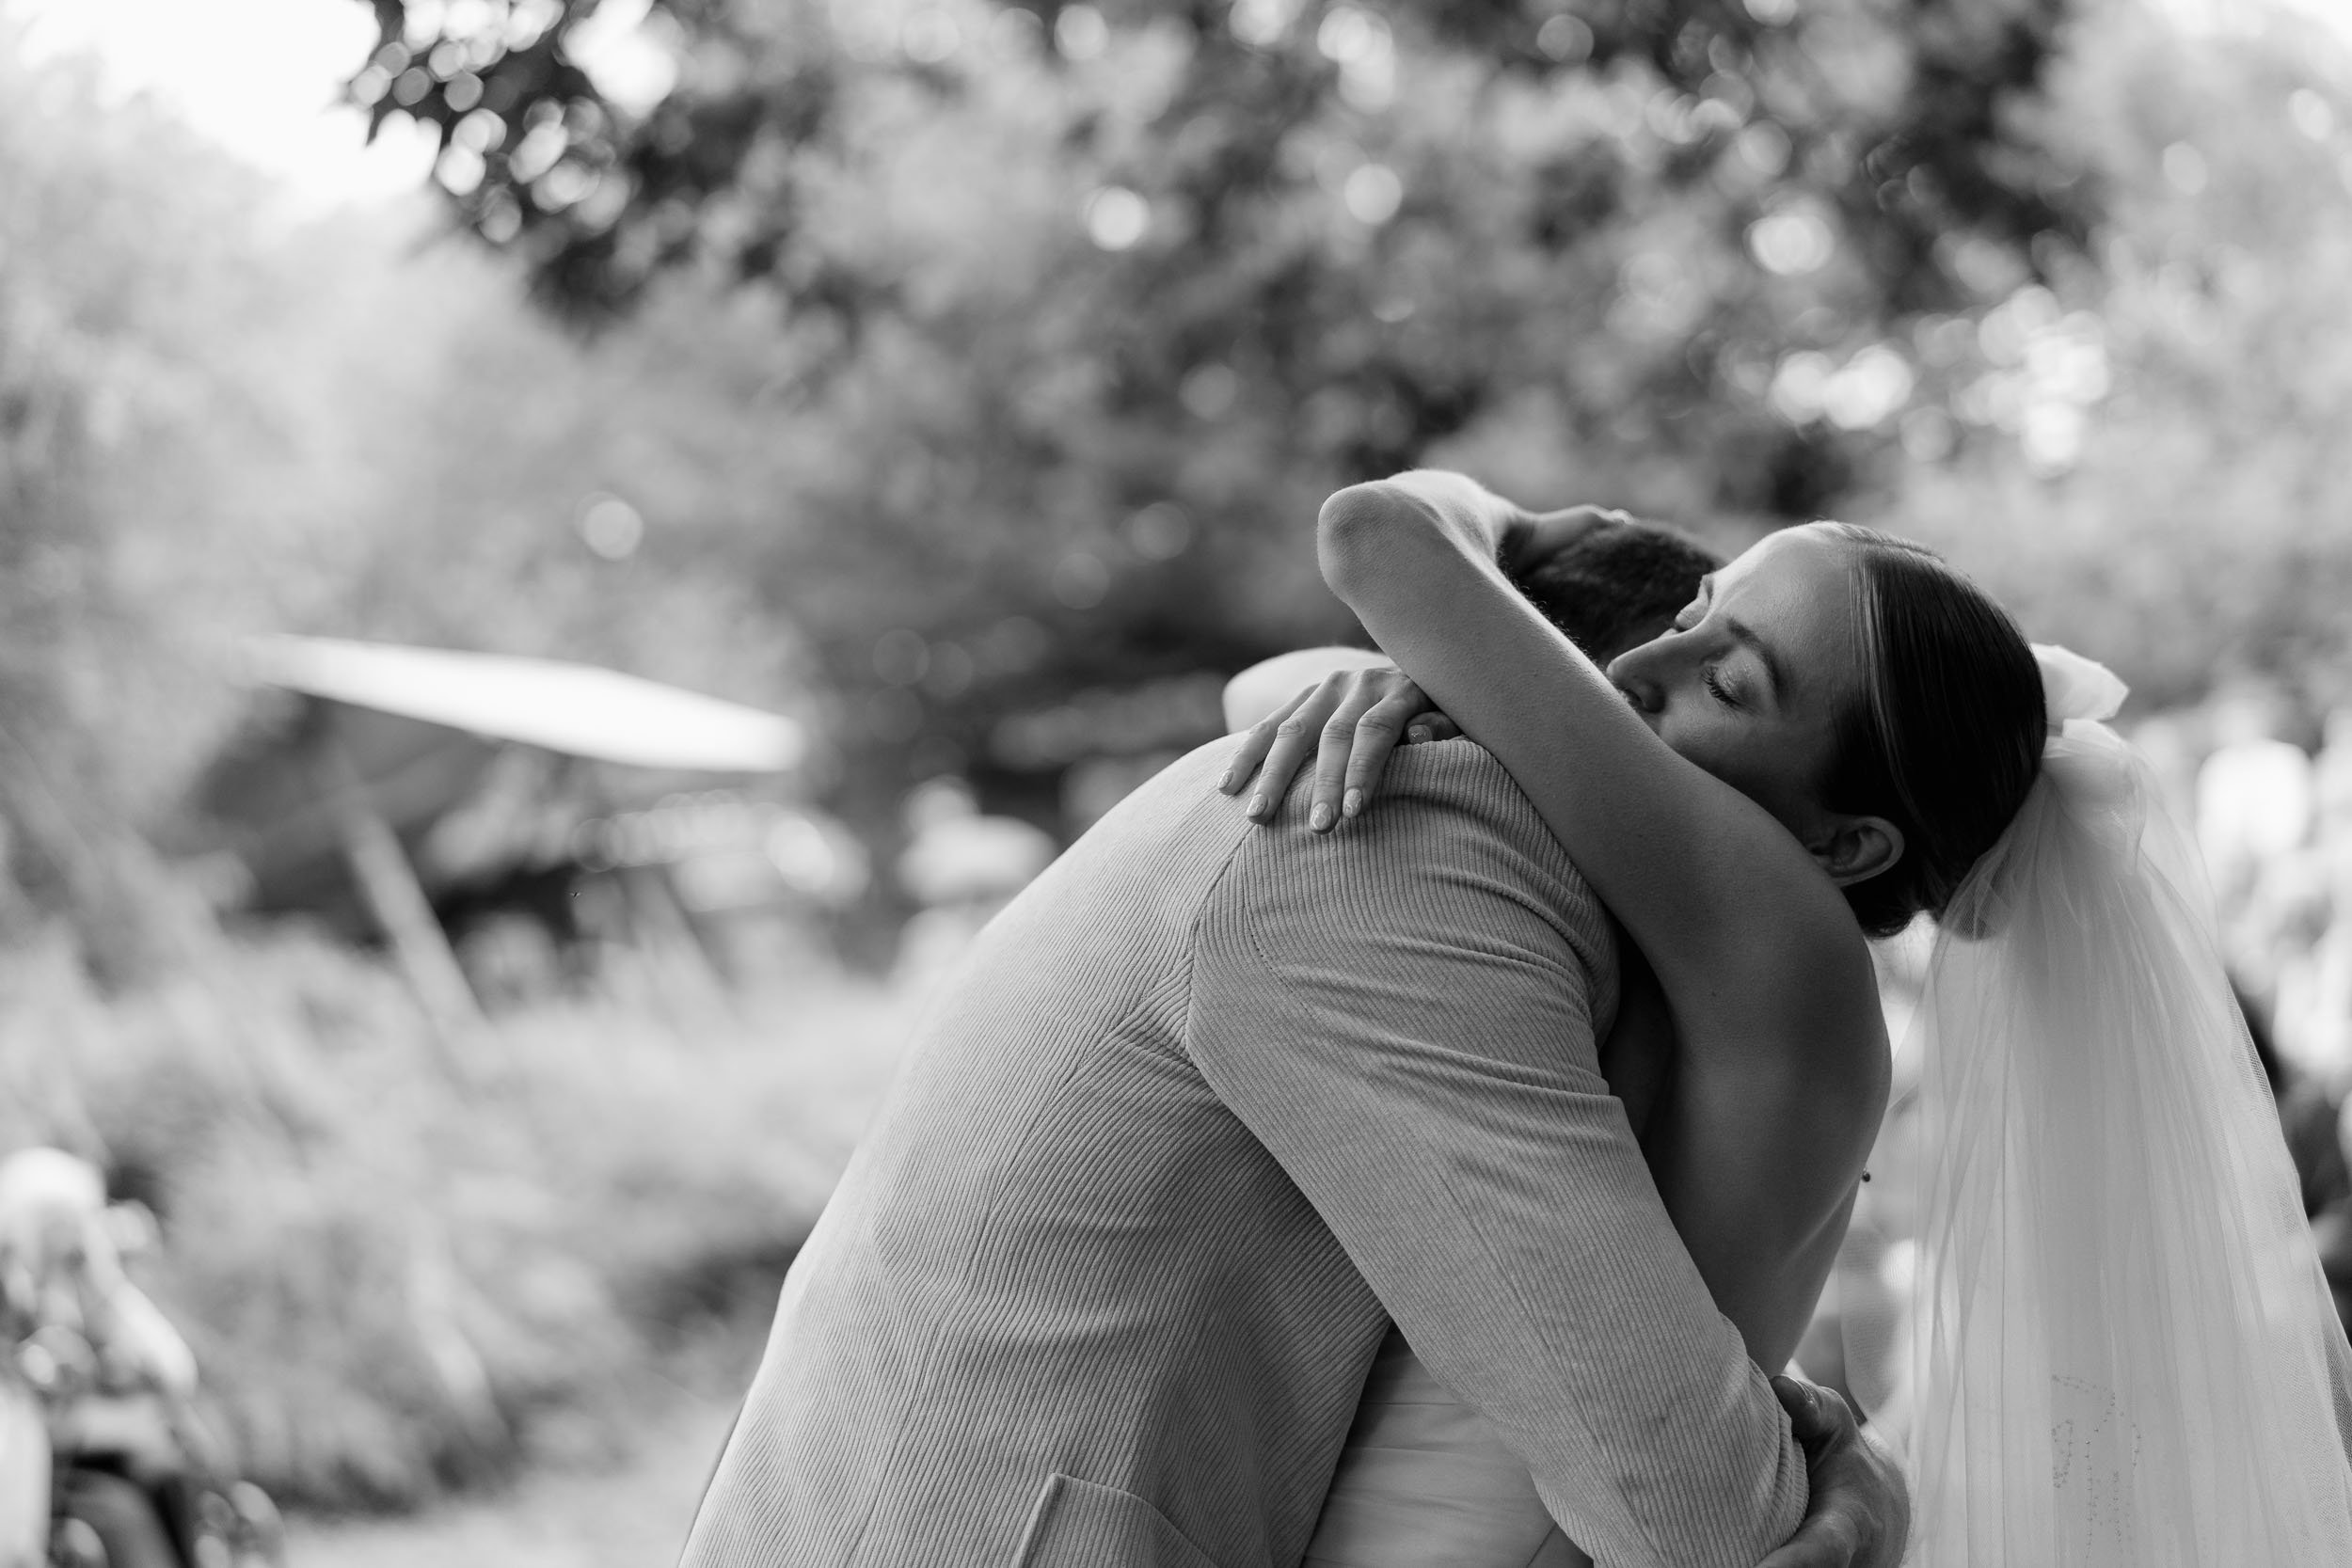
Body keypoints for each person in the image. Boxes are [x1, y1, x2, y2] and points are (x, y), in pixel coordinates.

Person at [680, 501, 1906, 1563]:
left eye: (1724, 675)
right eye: (1669, 644)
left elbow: (1553, 1303)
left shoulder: (1363, 779)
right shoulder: (1408, 836)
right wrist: (1856, 1480)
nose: (1648, 692)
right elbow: (1681, 1501)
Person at [1223, 469, 2352, 1566]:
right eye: (1688, 614)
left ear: (1847, 844)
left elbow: (1373, 533)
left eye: (1728, 684)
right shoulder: (1696, 958)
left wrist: (1518, 525)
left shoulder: (1771, 925)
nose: (1629, 666)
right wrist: (1408, 677)